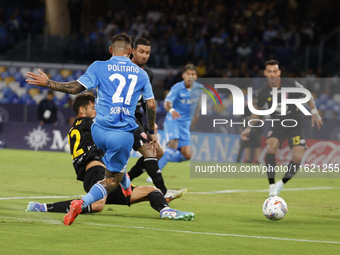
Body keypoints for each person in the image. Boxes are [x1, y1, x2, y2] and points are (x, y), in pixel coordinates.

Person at [26, 33, 157, 225]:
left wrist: (48, 83)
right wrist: (151, 131)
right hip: (121, 135)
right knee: (112, 179)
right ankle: (81, 203)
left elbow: (75, 88)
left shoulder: (98, 66)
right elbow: (151, 105)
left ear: (111, 50)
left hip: (98, 131)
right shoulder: (142, 74)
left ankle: (127, 186)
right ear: (130, 52)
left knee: (113, 162)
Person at [26, 92, 195, 221]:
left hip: (107, 175)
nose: (96, 110)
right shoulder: (91, 123)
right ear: (83, 110)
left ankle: (166, 211)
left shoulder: (76, 128)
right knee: (98, 205)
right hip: (96, 171)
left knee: (152, 191)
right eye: (93, 108)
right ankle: (43, 207)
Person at [241, 59, 323, 196]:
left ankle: (282, 183)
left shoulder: (290, 84)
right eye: (269, 72)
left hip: (295, 123)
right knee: (271, 146)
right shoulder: (264, 92)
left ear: (279, 72)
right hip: (277, 124)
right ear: (265, 73)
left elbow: (307, 95)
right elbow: (257, 110)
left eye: (275, 71)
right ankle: (272, 184)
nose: (272, 74)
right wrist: (248, 128)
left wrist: (314, 112)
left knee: (297, 157)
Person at [127, 38, 186, 198]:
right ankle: (164, 193)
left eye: (147, 52)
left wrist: (150, 126)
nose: (145, 55)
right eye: (141, 51)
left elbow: (148, 102)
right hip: (125, 118)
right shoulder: (122, 68)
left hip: (138, 119)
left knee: (157, 152)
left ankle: (126, 180)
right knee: (151, 153)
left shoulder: (148, 73)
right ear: (132, 51)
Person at [157, 64, 199, 171]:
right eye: (188, 74)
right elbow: (167, 103)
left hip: (185, 124)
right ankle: (155, 173)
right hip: (173, 120)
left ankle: (161, 156)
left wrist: (193, 122)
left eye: (193, 74)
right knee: (173, 145)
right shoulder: (177, 87)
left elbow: (197, 109)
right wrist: (171, 110)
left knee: (187, 155)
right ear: (183, 75)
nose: (190, 76)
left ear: (196, 77)